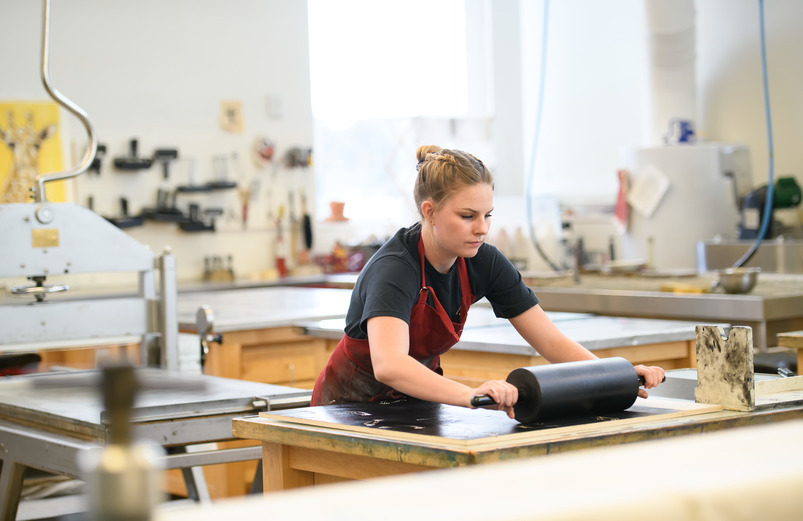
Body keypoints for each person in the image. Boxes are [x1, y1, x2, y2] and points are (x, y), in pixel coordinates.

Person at [311, 145, 665, 418]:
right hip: (347, 408)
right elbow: (390, 365)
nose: (481, 227)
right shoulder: (395, 269)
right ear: (429, 212)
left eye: (487, 215)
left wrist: (614, 375)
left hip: (416, 403)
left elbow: (550, 340)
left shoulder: (483, 260)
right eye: (467, 216)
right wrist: (468, 394)